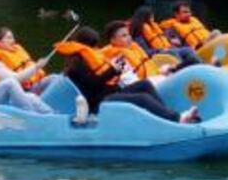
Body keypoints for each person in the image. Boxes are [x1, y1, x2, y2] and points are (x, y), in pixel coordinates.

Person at [54, 27, 200, 123]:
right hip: (100, 102)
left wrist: (116, 69)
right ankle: (177, 119)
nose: (95, 49)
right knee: (142, 98)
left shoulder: (90, 57)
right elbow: (92, 83)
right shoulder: (77, 63)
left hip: (111, 93)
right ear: (84, 45)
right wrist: (113, 70)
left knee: (145, 85)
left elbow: (104, 78)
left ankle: (167, 117)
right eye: (93, 46)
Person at [0, 27, 60, 94]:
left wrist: (37, 67)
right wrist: (37, 66)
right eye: (9, 38)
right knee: (53, 80)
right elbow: (16, 79)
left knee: (55, 78)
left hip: (32, 86)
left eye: (13, 37)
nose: (13, 41)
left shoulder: (17, 53)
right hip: (21, 93)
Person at [128, 6, 202, 66]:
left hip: (167, 49)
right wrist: (160, 50)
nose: (153, 19)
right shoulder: (138, 33)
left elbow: (161, 39)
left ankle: (201, 67)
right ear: (145, 18)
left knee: (187, 49)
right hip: (157, 55)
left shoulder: (153, 27)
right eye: (151, 17)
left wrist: (170, 41)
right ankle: (181, 71)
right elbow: (145, 51)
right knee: (173, 53)